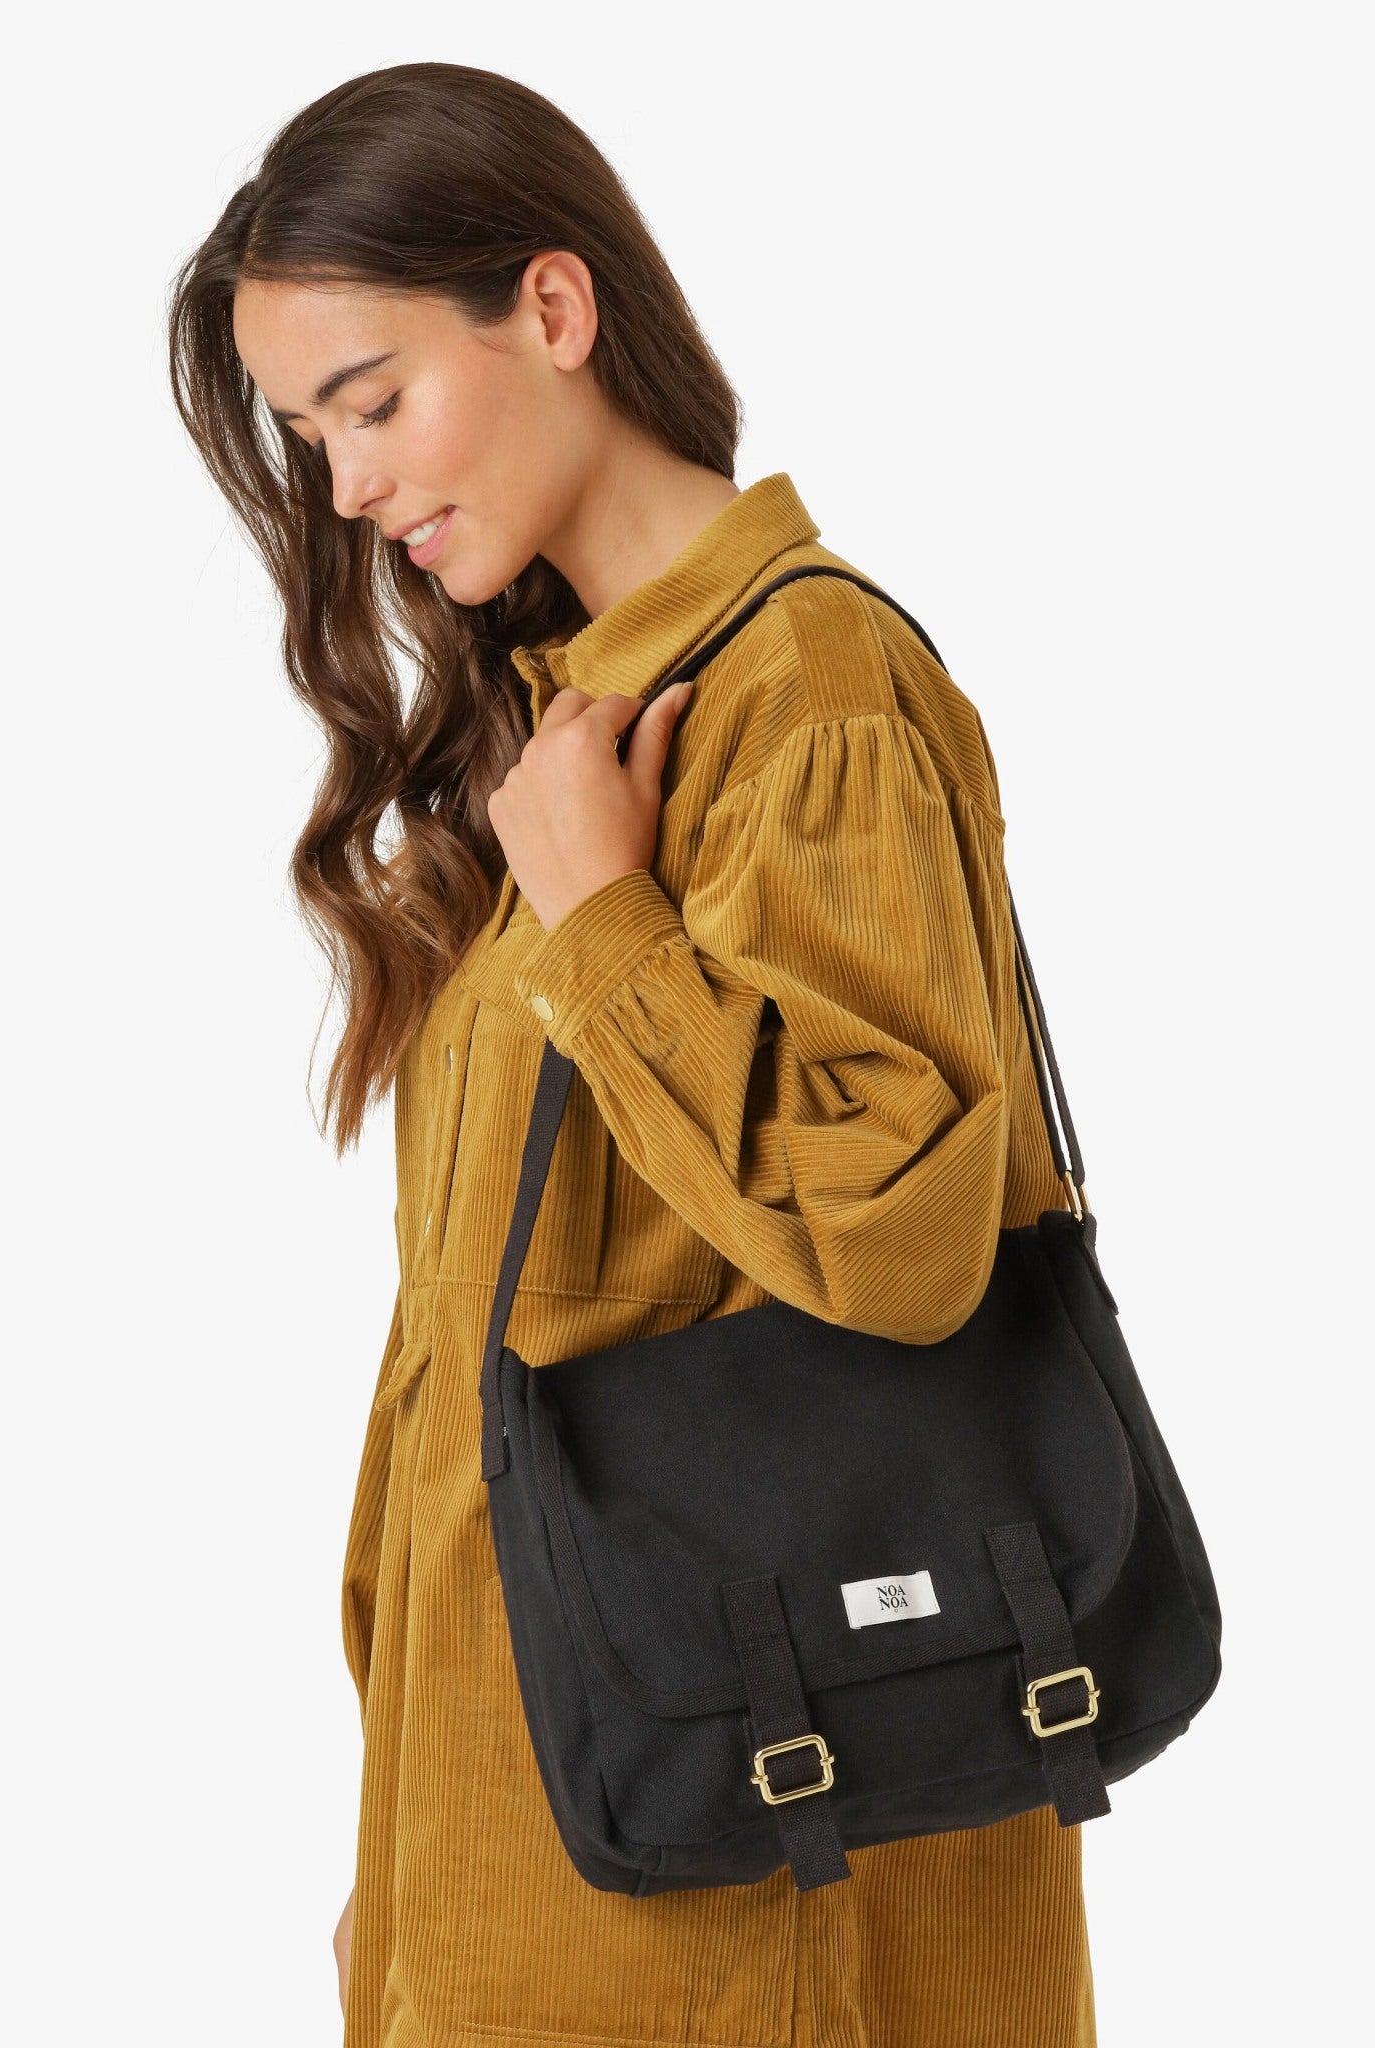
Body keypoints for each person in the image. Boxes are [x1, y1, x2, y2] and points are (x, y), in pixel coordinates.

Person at [169, 59, 1098, 2048]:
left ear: (553, 308)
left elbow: (892, 1239)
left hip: (744, 1867)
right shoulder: (572, 727)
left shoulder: (807, 698)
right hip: (556, 1815)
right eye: (309, 437)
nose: (344, 488)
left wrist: (606, 922)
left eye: (372, 403)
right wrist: (409, 1850)